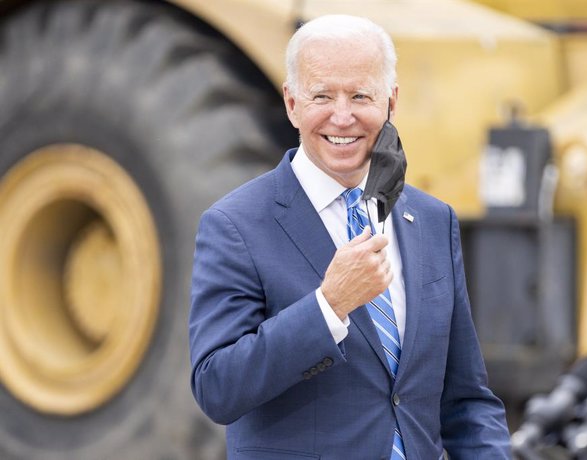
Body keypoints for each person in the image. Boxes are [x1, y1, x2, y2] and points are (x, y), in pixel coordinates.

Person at [189, 14, 511, 459]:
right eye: (322, 95)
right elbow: (217, 387)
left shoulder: (433, 220)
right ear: (291, 103)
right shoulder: (235, 225)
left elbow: (467, 401)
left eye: (361, 95)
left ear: (391, 102)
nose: (342, 117)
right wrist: (329, 305)